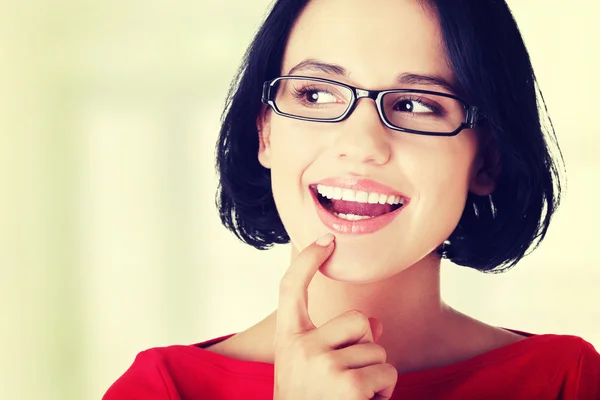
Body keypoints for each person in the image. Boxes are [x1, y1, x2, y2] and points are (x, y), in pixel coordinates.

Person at [103, 0, 600, 398]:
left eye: (415, 104)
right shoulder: (165, 390)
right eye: (316, 94)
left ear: (486, 160)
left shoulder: (567, 382)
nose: (361, 145)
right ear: (266, 131)